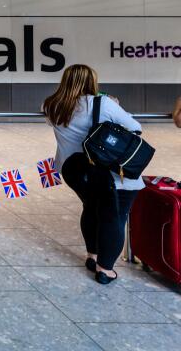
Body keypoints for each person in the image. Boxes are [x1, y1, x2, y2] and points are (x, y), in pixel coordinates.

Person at [42, 64, 143, 284]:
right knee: (114, 217)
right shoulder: (103, 103)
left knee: (91, 207)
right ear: (91, 81)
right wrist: (116, 107)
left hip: (75, 171)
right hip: (110, 174)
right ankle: (105, 269)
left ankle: (92, 255)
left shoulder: (52, 105)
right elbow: (135, 127)